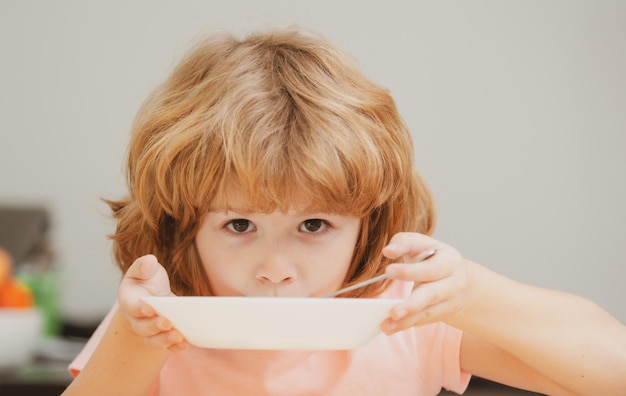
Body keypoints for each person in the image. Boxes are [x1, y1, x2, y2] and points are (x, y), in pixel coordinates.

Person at [62, 28, 626, 396]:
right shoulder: (161, 322)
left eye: (313, 225)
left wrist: (472, 293)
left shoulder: (402, 319)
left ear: (367, 228)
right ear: (182, 225)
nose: (275, 267)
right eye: (239, 225)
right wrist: (140, 338)